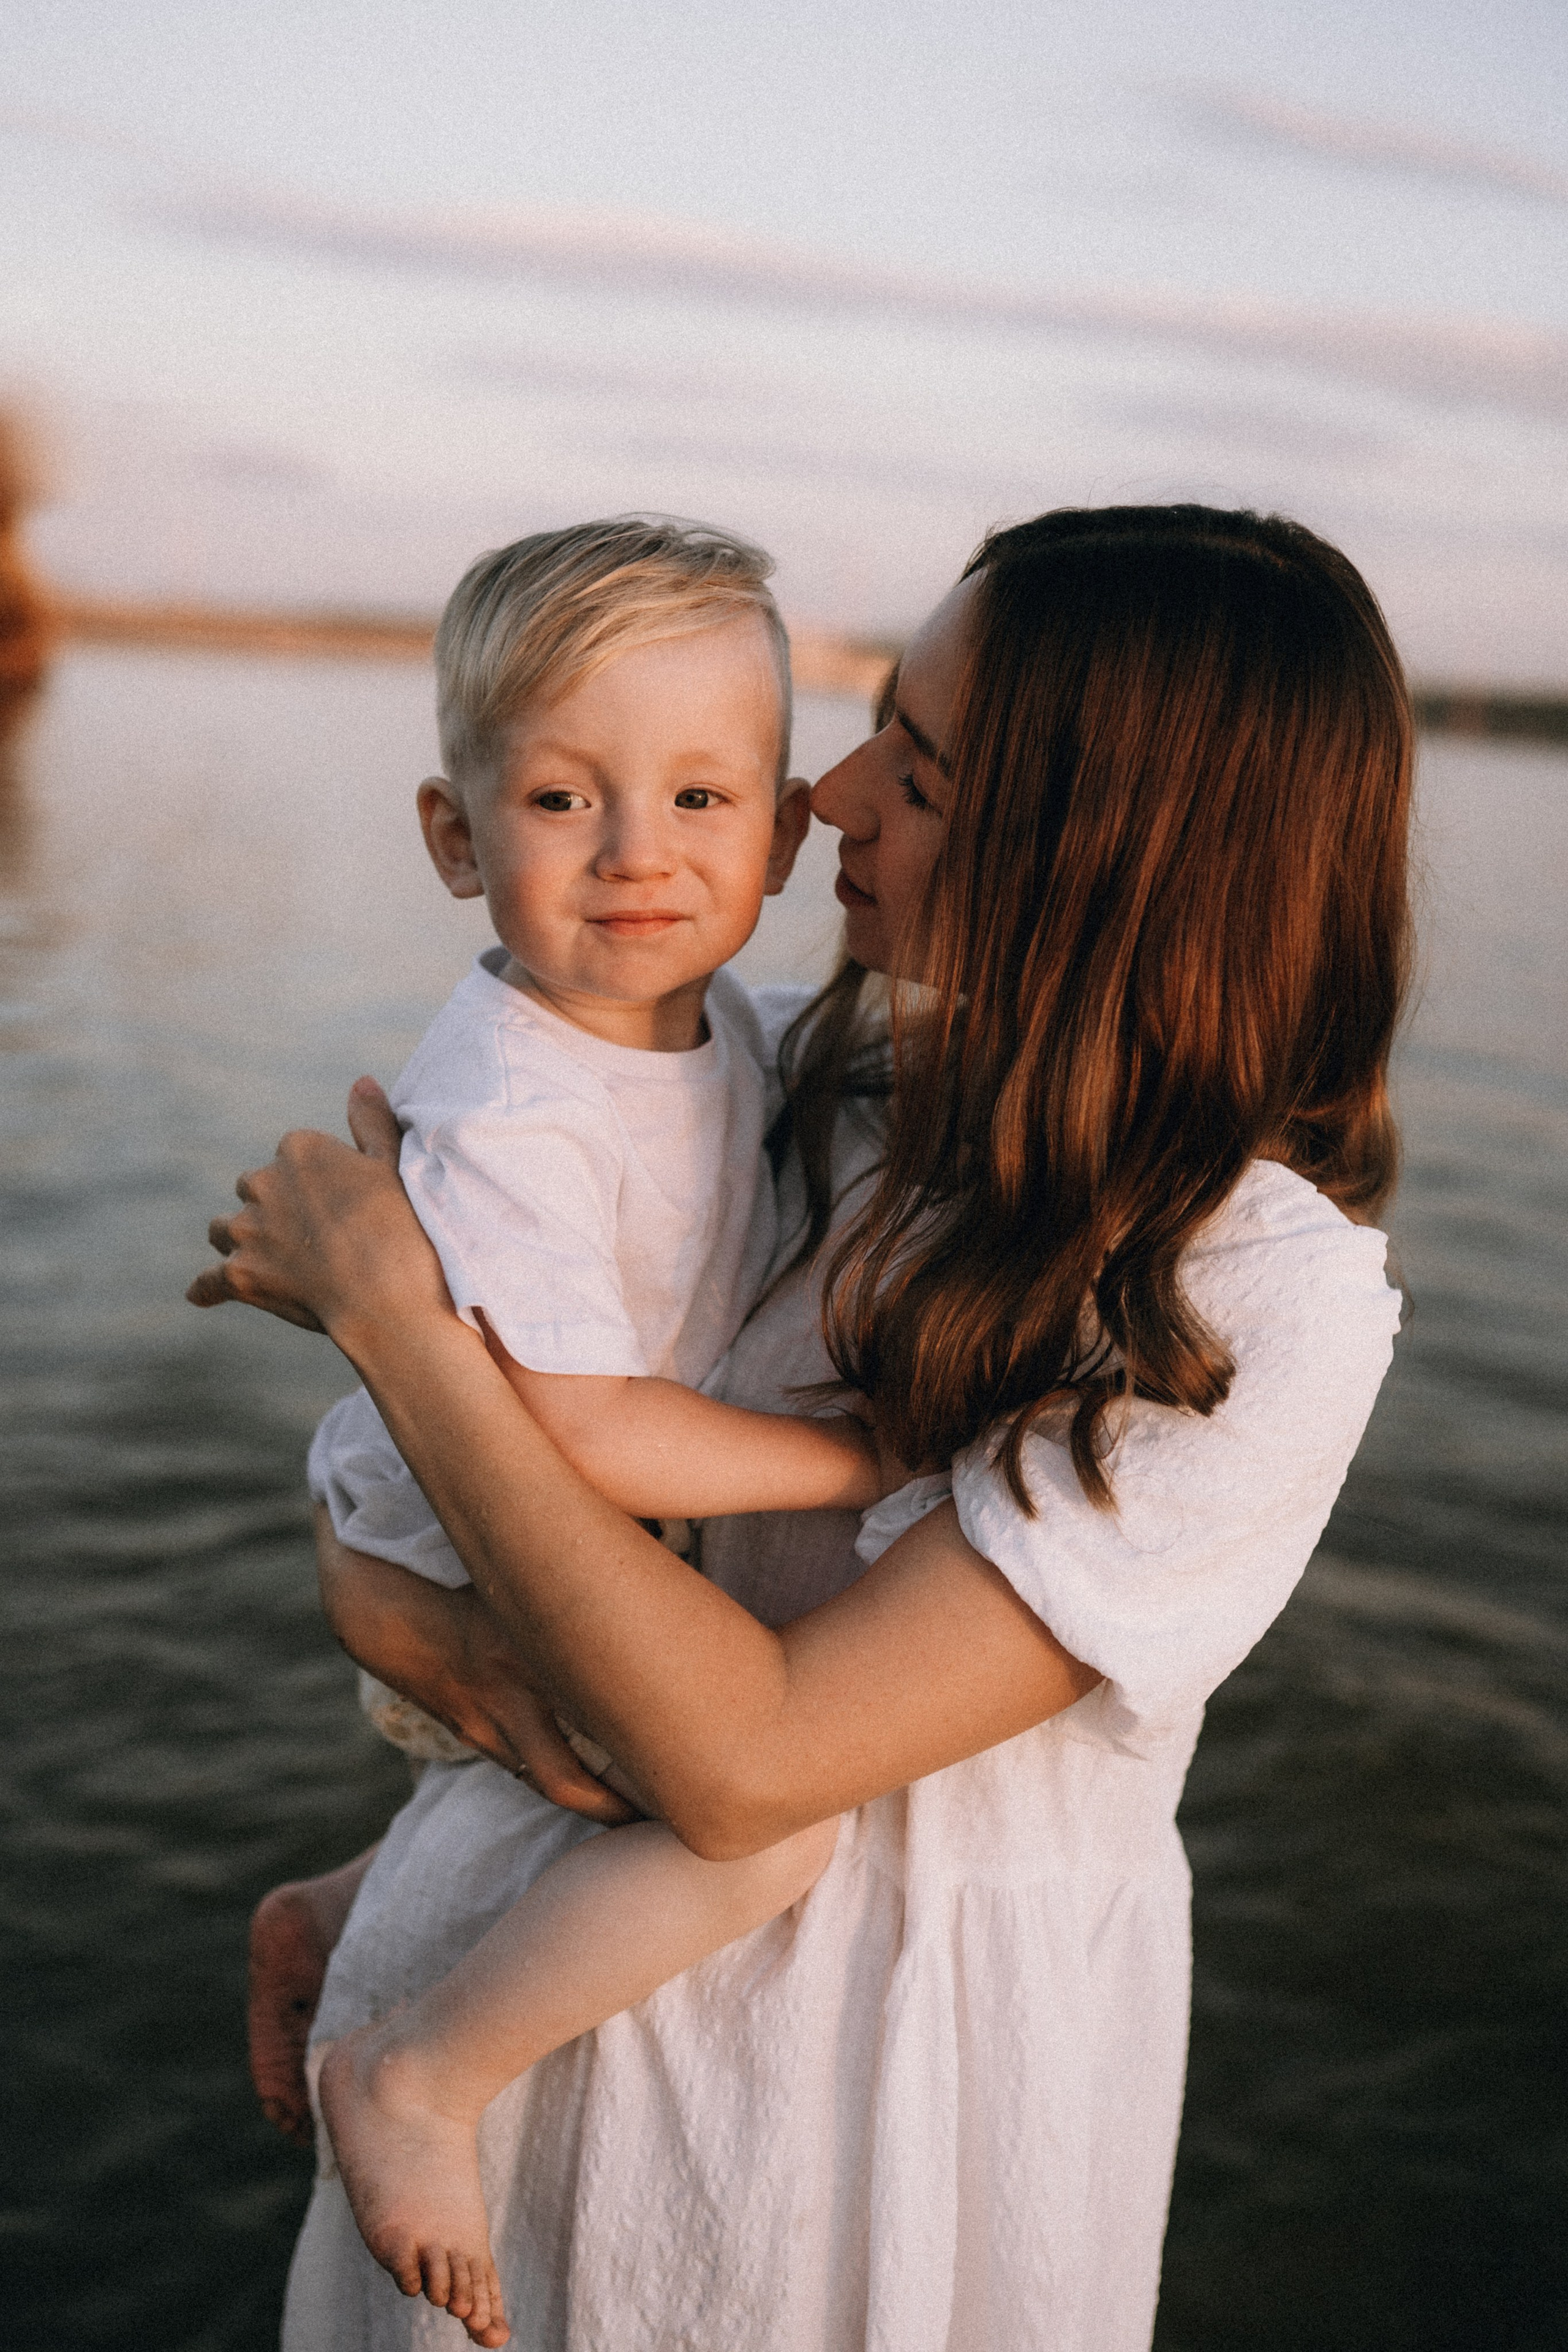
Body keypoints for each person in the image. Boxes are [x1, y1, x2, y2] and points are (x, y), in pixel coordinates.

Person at [192, 503, 1411, 2352]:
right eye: (871, 725)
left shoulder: (1252, 1295)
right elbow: (496, 1504)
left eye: (917, 768)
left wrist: (392, 1320)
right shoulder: (813, 1072)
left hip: (838, 2114)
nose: (825, 796)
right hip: (510, 1979)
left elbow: (754, 1760)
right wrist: (393, 1738)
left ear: (1105, 856)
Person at [300, 517, 908, 2343]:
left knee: (578, 1804)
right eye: (565, 802)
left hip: (530, 1534)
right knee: (769, 1832)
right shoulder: (511, 1100)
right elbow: (578, 1430)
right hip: (470, 1534)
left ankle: (326, 1909)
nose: (643, 853)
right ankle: (412, 2076)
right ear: (453, 837)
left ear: (786, 833)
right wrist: (867, 1458)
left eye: (703, 798)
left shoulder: (712, 1020)